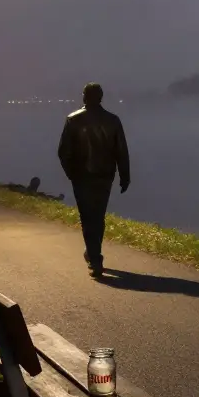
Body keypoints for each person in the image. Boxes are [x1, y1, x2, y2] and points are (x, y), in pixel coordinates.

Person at [57, 83, 130, 275]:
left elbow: (63, 152)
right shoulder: (113, 121)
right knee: (98, 215)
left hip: (81, 176)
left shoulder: (73, 120)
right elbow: (121, 151)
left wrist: (71, 173)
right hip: (105, 176)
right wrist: (124, 175)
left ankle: (95, 258)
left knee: (87, 216)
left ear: (84, 97)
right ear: (101, 97)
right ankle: (93, 253)